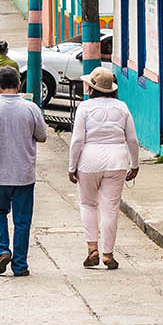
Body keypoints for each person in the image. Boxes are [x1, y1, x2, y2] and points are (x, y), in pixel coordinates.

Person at [0, 65, 47, 277]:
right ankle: (20, 265)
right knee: (22, 221)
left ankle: (3, 249)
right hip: (24, 175)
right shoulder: (30, 108)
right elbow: (42, 136)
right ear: (19, 84)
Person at [69, 66, 141, 270]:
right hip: (116, 161)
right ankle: (108, 254)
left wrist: (72, 166)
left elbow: (77, 140)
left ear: (92, 88)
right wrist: (134, 165)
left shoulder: (84, 107)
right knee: (110, 208)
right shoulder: (122, 107)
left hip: (88, 161)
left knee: (88, 205)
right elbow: (132, 140)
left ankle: (92, 248)